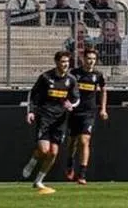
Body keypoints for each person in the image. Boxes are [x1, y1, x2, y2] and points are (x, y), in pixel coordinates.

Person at [22, 51, 79, 194]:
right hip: (45, 118)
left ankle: (39, 181)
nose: (65, 64)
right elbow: (33, 94)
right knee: (43, 150)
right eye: (62, 61)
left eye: (67, 62)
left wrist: (72, 105)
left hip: (60, 121)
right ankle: (33, 160)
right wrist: (30, 111)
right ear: (56, 62)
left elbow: (76, 98)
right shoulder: (46, 77)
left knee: (53, 153)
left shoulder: (71, 80)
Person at [64, 48, 107, 185]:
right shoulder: (74, 74)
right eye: (89, 58)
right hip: (74, 112)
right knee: (72, 142)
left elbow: (104, 91)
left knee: (84, 140)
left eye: (93, 59)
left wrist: (103, 109)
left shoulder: (98, 75)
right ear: (83, 59)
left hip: (89, 112)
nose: (91, 61)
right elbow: (65, 88)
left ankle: (82, 174)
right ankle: (70, 162)